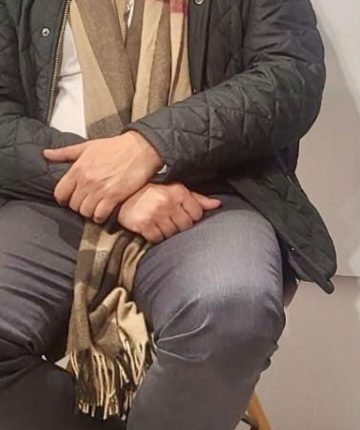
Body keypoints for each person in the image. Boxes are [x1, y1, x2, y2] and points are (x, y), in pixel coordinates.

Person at [0, 0, 335, 429]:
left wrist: (151, 146)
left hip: (209, 192)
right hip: (53, 192)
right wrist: (112, 187)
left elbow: (290, 79)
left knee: (234, 311)